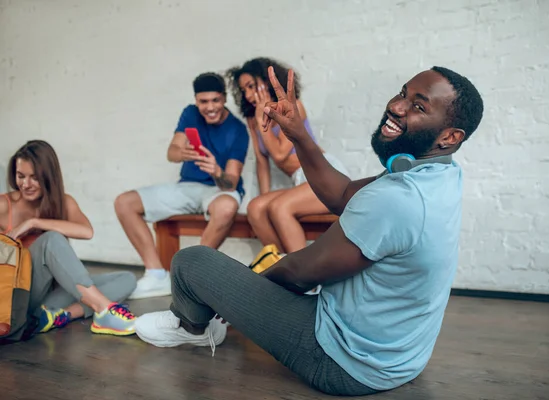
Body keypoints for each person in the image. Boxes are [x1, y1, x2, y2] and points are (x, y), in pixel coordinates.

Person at [134, 66, 484, 396]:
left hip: (343, 362)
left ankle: (192, 326)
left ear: (450, 136)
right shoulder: (440, 175)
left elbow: (301, 272)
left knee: (192, 261)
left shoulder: (398, 198)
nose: (396, 106)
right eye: (403, 94)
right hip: (400, 358)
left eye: (418, 106)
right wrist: (299, 134)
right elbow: (343, 194)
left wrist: (235, 296)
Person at [114, 72, 249, 300]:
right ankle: (157, 275)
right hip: (187, 187)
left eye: (215, 100)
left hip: (219, 190)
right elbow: (171, 152)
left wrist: (216, 171)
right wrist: (182, 153)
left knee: (226, 207)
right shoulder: (190, 114)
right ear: (196, 100)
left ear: (224, 98)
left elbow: (231, 182)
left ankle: (190, 277)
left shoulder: (238, 129)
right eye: (203, 102)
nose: (210, 107)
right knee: (124, 202)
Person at [0, 140, 137, 336]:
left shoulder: (63, 202)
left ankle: (60, 315)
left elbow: (86, 231)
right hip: (18, 297)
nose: (26, 184)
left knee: (127, 279)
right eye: (21, 176)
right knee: (52, 239)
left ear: (48, 177)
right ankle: (105, 311)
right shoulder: (4, 205)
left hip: (47, 298)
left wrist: (35, 223)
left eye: (34, 177)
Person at [226, 58, 349, 259]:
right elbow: (262, 161)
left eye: (251, 86)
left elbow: (280, 153)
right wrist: (262, 198)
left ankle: (306, 279)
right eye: (243, 90)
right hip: (301, 181)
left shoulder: (293, 107)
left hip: (325, 175)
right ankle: (284, 270)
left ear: (266, 81)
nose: (248, 95)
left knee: (280, 208)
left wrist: (260, 119)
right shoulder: (252, 119)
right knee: (255, 209)